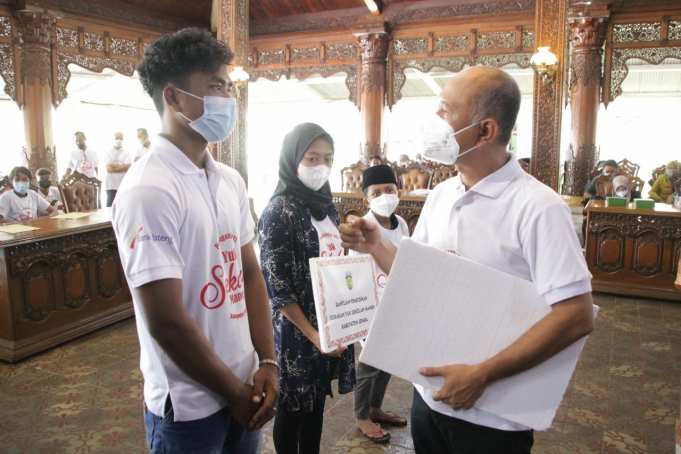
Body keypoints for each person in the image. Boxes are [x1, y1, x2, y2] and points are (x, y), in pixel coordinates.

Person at [341, 66, 594, 454]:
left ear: (485, 131)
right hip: (429, 399)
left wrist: (482, 375)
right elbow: (417, 279)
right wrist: (377, 246)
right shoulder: (441, 196)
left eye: (445, 111)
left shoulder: (538, 207)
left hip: (492, 418)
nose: (435, 120)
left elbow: (576, 315)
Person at [112, 28, 278, 454]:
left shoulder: (229, 181)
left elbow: (249, 274)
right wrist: (232, 392)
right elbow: (165, 321)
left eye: (229, 85)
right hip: (190, 405)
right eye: (215, 86)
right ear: (173, 98)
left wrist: (268, 361)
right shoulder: (150, 188)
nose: (229, 98)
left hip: (245, 383)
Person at [259, 123, 355, 454]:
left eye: (327, 158)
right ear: (292, 159)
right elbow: (278, 288)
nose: (320, 166)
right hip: (297, 332)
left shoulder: (326, 206)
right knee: (291, 409)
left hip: (329, 323)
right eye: (311, 157)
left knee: (315, 403)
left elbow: (336, 262)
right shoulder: (277, 211)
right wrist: (315, 336)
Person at [352, 164, 409, 444]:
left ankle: (375, 407)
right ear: (367, 198)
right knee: (369, 364)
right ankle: (362, 415)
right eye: (377, 192)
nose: (385, 196)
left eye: (390, 190)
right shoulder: (363, 228)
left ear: (399, 191)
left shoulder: (403, 224)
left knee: (387, 360)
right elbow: (354, 272)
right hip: (370, 306)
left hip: (396, 303)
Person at [104, 131, 132, 207]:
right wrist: (122, 166)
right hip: (111, 184)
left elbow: (127, 168)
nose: (119, 140)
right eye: (117, 138)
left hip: (123, 183)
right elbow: (109, 169)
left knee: (124, 206)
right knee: (110, 207)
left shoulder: (127, 152)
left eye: (121, 138)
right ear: (113, 139)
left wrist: (114, 166)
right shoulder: (107, 152)